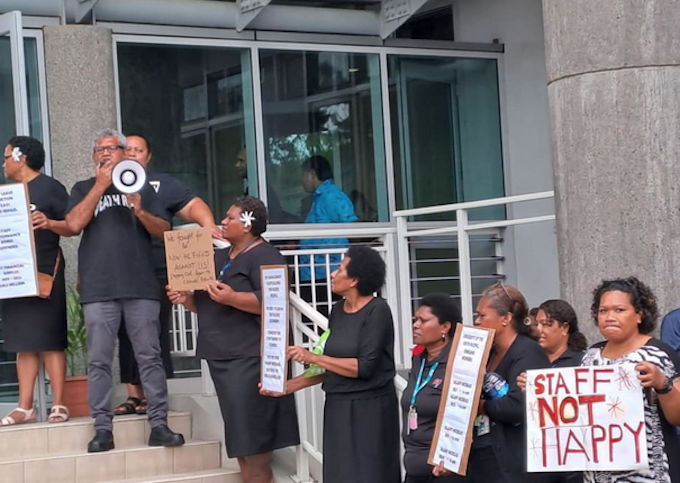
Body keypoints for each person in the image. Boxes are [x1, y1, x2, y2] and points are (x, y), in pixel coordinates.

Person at [65, 129, 184, 452]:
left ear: (123, 153)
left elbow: (164, 230)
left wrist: (141, 211)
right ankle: (102, 429)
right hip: (99, 288)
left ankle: (158, 424)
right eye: (99, 149)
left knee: (150, 357)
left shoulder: (142, 185)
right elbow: (74, 224)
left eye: (111, 148)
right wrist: (101, 187)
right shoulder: (82, 188)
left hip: (140, 285)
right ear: (94, 157)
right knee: (100, 360)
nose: (105, 153)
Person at [167, 196, 299, 483]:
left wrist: (233, 297)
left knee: (255, 442)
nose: (223, 222)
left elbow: (273, 303)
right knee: (240, 439)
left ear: (249, 224)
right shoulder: (217, 257)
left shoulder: (266, 256)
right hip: (222, 355)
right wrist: (187, 299)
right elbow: (205, 304)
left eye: (230, 217)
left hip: (250, 357)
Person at [263, 245, 401, 483]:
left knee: (370, 475)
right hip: (338, 405)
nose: (332, 275)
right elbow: (331, 367)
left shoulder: (378, 310)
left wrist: (312, 357)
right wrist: (288, 386)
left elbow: (363, 367)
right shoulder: (337, 311)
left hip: (370, 409)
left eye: (339, 269)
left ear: (355, 279)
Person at [113, 134, 217, 417]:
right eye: (128, 149)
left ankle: (154, 393)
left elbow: (193, 205)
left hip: (157, 269)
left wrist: (208, 226)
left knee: (154, 331)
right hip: (119, 271)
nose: (133, 154)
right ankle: (134, 394)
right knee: (125, 332)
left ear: (148, 157)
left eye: (139, 150)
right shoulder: (108, 184)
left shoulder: (162, 184)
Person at [435, 283, 550, 482]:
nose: (477, 321)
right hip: (483, 456)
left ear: (506, 318)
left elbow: (519, 406)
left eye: (482, 315)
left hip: (513, 463)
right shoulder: (487, 352)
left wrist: (480, 406)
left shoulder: (529, 352)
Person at [0, 136, 75, 426]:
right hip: (14, 276)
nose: (4, 163)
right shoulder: (9, 193)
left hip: (45, 272)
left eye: (6, 157)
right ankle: (24, 407)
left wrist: (49, 222)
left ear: (21, 157)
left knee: (50, 340)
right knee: (24, 341)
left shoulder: (50, 188)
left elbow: (73, 225)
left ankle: (58, 403)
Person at [581, 277, 680, 483]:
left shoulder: (659, 354)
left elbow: (677, 417)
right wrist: (539, 393)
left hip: (649, 474)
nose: (609, 317)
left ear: (639, 315)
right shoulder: (590, 356)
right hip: (598, 474)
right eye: (603, 311)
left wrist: (663, 384)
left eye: (619, 310)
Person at [516, 299, 588, 483]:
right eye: (536, 324)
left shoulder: (582, 363)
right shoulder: (529, 362)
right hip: (539, 457)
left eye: (547, 324)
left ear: (565, 328)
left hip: (573, 459)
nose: (539, 330)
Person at [402, 293, 464, 483]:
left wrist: (451, 458)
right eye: (415, 320)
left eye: (423, 320)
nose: (415, 325)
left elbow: (465, 416)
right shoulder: (419, 359)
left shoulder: (458, 363)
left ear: (445, 327)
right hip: (414, 465)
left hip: (442, 469)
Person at [298, 155, 357, 315]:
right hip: (314, 274)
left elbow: (353, 228)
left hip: (328, 273)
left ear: (311, 173)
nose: (302, 180)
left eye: (303, 175)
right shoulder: (318, 198)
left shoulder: (332, 196)